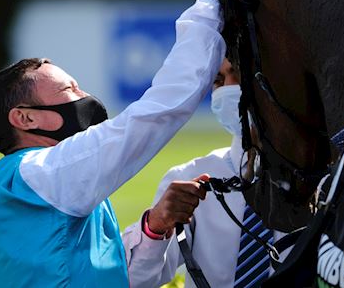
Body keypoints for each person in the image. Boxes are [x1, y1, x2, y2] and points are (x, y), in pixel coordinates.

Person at [0, 0, 224, 287]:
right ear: (26, 118)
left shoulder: (24, 187)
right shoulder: (45, 172)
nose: (85, 98)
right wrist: (211, 8)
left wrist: (153, 228)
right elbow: (163, 107)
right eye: (69, 89)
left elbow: (110, 278)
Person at [122, 58, 286, 288]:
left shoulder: (326, 179)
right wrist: (156, 224)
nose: (228, 88)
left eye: (238, 73)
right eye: (218, 81)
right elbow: (131, 280)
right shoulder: (190, 175)